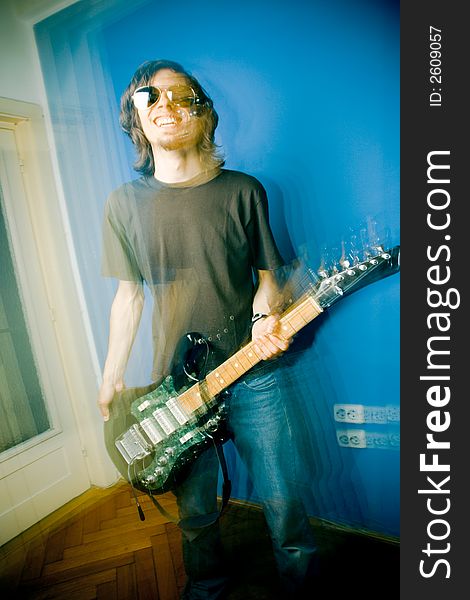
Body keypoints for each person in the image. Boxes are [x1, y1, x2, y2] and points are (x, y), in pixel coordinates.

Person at [98, 59, 317, 599]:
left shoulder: (244, 190)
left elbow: (270, 278)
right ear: (137, 122)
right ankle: (207, 591)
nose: (164, 105)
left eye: (179, 95)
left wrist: (267, 317)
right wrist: (110, 379)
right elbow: (127, 299)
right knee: (195, 515)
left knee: (285, 505)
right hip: (177, 387)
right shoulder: (122, 205)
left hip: (254, 375)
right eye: (149, 98)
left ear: (203, 111)